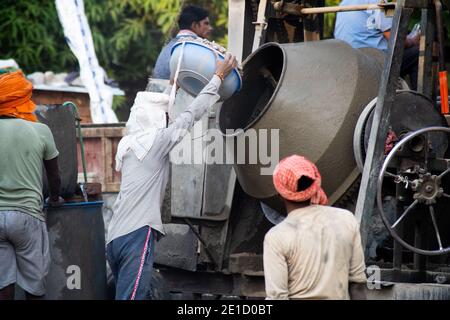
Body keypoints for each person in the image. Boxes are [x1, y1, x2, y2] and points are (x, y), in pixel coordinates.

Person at [106, 53, 238, 300]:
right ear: (156, 119)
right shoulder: (157, 141)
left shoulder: (128, 144)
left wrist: (172, 90)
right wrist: (218, 77)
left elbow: (162, 118)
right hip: (137, 233)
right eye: (165, 116)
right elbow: (192, 114)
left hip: (114, 237)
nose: (169, 120)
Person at [263, 155, 367, 300]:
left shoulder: (277, 237)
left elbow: (277, 297)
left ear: (281, 195)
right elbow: (358, 286)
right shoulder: (346, 220)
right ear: (315, 185)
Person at [0, 70, 64, 300]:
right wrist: (54, 198)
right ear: (21, 101)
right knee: (34, 286)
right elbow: (54, 178)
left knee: (3, 285)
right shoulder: (40, 130)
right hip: (27, 216)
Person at [334, 0, 420, 90]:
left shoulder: (344, 3)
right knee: (418, 53)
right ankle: (420, 100)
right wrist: (413, 41)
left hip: (349, 58)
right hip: (375, 61)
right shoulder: (380, 2)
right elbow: (396, 39)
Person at [152, 5, 213, 80]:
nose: (210, 28)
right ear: (194, 25)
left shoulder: (170, 45)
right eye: (206, 23)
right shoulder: (195, 47)